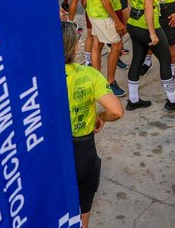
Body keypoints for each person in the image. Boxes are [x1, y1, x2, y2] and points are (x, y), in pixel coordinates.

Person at [62, 21, 124, 228]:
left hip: (51, 150)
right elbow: (116, 111)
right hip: (82, 149)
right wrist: (102, 117)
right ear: (75, 47)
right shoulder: (90, 75)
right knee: (82, 214)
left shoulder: (40, 77)